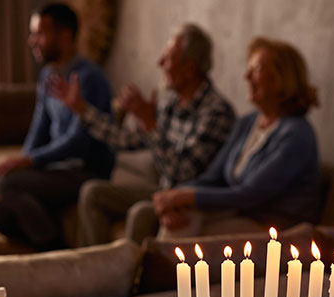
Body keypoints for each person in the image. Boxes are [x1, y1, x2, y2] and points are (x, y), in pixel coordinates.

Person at [50, 23, 235, 246]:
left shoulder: (216, 113)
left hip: (191, 199)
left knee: (141, 212)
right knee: (92, 191)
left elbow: (182, 175)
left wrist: (149, 123)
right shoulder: (171, 102)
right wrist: (81, 109)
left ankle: (126, 277)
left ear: (189, 68)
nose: (159, 63)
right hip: (163, 190)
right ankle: (94, 268)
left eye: (167, 59)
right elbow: (123, 140)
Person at [149, 37, 322, 242]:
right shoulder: (248, 122)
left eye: (256, 70)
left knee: (188, 227)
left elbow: (250, 194)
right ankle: (146, 267)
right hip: (241, 211)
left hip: (275, 227)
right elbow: (213, 177)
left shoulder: (296, 135)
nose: (246, 76)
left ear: (281, 78)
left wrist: (185, 198)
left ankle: (150, 268)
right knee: (179, 216)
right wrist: (175, 198)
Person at [0, 3, 114, 250]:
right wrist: (19, 161)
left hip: (85, 170)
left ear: (64, 36)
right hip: (56, 169)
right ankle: (40, 240)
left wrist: (29, 163)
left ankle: (51, 246)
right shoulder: (47, 75)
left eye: (39, 34)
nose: (32, 41)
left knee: (9, 186)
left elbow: (78, 141)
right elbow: (39, 128)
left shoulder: (89, 78)